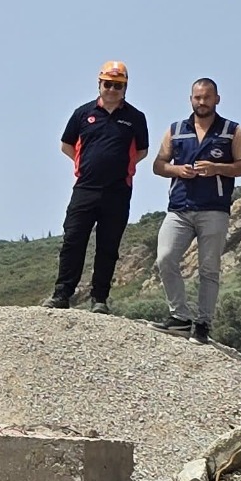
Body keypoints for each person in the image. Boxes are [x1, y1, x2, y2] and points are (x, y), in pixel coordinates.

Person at [151, 77, 241, 343]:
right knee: (165, 258)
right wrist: (177, 170)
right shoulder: (176, 130)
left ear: (217, 99)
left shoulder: (232, 131)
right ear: (190, 99)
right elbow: (158, 165)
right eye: (197, 97)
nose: (202, 102)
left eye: (207, 97)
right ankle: (180, 317)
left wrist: (217, 168)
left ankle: (203, 324)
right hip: (179, 208)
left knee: (209, 269)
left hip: (214, 209)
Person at [46, 60, 150, 314]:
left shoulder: (136, 118)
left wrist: (123, 166)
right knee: (73, 240)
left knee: (108, 246)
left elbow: (142, 150)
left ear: (125, 88)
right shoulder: (82, 113)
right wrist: (83, 164)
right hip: (85, 188)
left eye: (118, 85)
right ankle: (62, 294)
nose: (112, 89)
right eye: (108, 84)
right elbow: (66, 145)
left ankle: (100, 299)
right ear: (99, 84)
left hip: (118, 191)